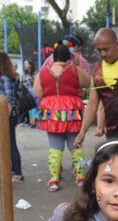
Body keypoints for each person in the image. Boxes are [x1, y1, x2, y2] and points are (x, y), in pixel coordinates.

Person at [34, 41, 90, 192]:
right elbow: (88, 83)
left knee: (55, 147)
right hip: (72, 110)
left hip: (52, 112)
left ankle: (53, 180)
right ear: (68, 57)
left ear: (53, 56)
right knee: (75, 146)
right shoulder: (74, 69)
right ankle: (80, 178)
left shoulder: (43, 71)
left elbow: (38, 92)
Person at [0, 51, 24, 181]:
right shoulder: (4, 76)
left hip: (8, 115)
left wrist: (3, 116)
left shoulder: (5, 77)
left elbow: (9, 99)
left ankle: (17, 172)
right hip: (8, 114)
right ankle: (13, 170)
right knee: (9, 143)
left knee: (10, 143)